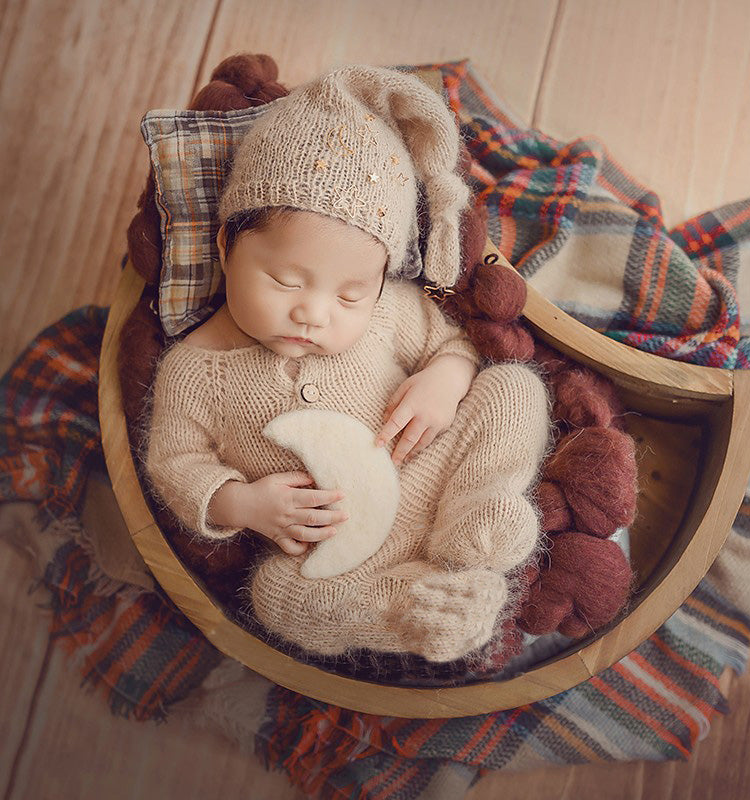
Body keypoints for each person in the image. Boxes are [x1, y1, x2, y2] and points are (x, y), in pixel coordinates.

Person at [145, 64, 551, 663]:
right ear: (227, 246)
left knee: (514, 390)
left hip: (431, 473)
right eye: (285, 280)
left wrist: (446, 378)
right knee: (275, 597)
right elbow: (174, 463)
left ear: (379, 280)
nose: (313, 313)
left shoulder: (389, 312)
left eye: (349, 295)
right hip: (333, 543)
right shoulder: (194, 370)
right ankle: (413, 606)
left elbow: (453, 341)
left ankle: (478, 524)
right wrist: (245, 503)